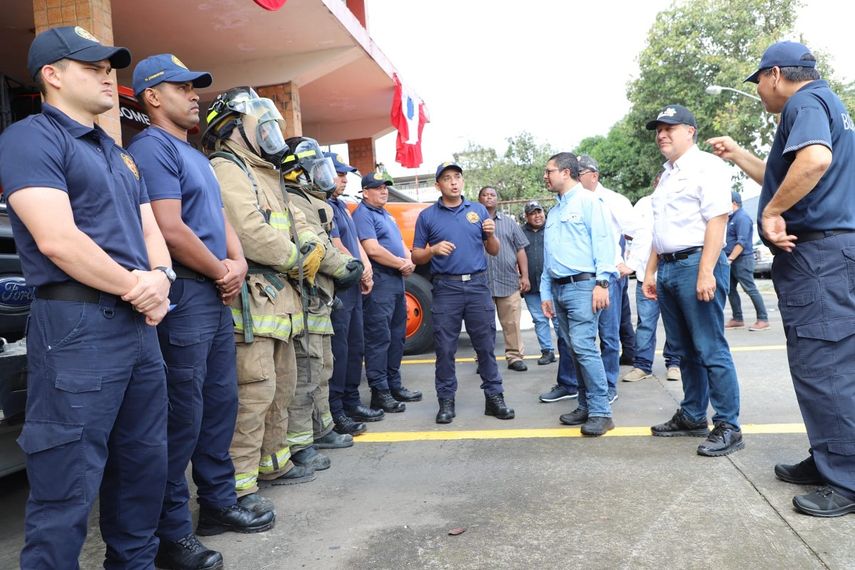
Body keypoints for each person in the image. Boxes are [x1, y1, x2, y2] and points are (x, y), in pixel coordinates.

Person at [0, 27, 170, 568]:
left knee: (143, 466)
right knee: (67, 480)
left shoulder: (119, 154)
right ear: (52, 75)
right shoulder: (31, 138)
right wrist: (139, 288)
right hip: (79, 324)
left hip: (138, 324)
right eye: (92, 67)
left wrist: (161, 278)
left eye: (109, 67)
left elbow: (150, 231)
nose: (106, 75)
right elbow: (57, 239)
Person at [129, 54, 275, 569]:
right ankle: (172, 534)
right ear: (152, 96)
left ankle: (216, 505)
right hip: (187, 295)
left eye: (196, 88)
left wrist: (235, 261)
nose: (195, 95)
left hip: (214, 291)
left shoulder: (193, 153)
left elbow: (217, 217)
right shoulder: (150, 149)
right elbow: (169, 228)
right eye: (182, 87)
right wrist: (219, 269)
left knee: (219, 405)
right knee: (180, 417)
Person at [709, 41, 855, 516]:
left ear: (775, 75)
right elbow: (782, 174)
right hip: (824, 256)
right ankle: (829, 456)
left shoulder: (805, 101)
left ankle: (847, 479)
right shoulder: (825, 105)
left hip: (820, 256)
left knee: (826, 366)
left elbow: (813, 162)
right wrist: (739, 157)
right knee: (822, 366)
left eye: (760, 84)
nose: (762, 93)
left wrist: (772, 212)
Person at [204, 87, 321, 498]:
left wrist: (312, 246)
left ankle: (273, 464)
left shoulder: (264, 173)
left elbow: (292, 221)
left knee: (280, 388)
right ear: (236, 126)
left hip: (278, 304)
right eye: (262, 121)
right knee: (253, 394)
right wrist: (295, 256)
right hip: (252, 304)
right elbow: (249, 231)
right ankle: (238, 488)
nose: (271, 129)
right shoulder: (227, 167)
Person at [643, 104, 743, 457]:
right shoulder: (667, 174)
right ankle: (692, 414)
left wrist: (705, 272)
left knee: (710, 347)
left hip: (697, 264)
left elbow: (717, 220)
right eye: (659, 129)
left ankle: (728, 424)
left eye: (670, 127)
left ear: (691, 131)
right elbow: (660, 229)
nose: (662, 134)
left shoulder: (708, 166)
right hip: (670, 267)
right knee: (683, 349)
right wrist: (651, 271)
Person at [280, 137, 364, 472]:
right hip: (306, 298)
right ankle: (302, 444)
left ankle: (321, 428)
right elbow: (317, 247)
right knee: (307, 371)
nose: (324, 175)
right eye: (316, 168)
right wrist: (345, 267)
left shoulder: (311, 201)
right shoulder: (295, 201)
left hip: (320, 299)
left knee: (323, 367)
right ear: (297, 172)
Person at [411, 162, 514, 424]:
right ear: (438, 185)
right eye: (447, 178)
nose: (454, 182)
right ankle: (446, 401)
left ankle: (495, 398)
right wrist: (433, 250)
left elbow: (493, 250)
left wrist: (491, 235)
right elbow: (416, 255)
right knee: (445, 348)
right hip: (447, 288)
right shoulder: (428, 216)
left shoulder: (478, 210)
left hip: (478, 285)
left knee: (486, 346)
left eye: (457, 177)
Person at [541, 152, 617, 436]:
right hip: (559, 288)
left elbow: (603, 241)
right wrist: (546, 291)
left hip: (584, 286)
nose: (546, 176)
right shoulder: (555, 211)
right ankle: (585, 405)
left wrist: (602, 283)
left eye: (549, 171)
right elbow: (550, 256)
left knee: (584, 347)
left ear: (566, 172)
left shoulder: (588, 201)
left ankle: (601, 411)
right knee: (573, 350)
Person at [352, 171, 422, 414]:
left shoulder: (386, 214)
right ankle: (379, 392)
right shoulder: (363, 215)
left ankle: (394, 385)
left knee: (396, 336)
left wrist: (408, 259)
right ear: (365, 191)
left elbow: (400, 244)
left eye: (385, 187)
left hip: (395, 283)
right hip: (380, 283)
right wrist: (401, 263)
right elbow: (372, 249)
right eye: (378, 187)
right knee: (379, 339)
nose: (384, 191)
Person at [325, 152, 378, 435]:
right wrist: (360, 268)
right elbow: (336, 244)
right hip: (341, 287)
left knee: (356, 347)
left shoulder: (342, 206)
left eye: (345, 175)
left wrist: (365, 268)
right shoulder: (324, 205)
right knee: (340, 351)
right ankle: (337, 410)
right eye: (339, 173)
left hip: (355, 282)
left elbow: (354, 240)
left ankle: (352, 400)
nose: (344, 179)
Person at [577, 155, 635, 403]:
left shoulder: (612, 200)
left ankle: (609, 384)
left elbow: (638, 231)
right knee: (582, 337)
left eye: (578, 173)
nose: (575, 178)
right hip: (582, 278)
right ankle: (587, 386)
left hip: (608, 277)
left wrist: (628, 263)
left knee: (609, 335)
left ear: (594, 175)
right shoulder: (574, 202)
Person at [622, 189, 682, 383]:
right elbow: (628, 232)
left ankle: (674, 363)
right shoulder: (643, 204)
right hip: (644, 276)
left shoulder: (679, 202)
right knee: (645, 323)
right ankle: (642, 366)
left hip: (671, 274)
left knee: (674, 323)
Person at [478, 186, 530, 372]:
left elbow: (521, 249)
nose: (489, 198)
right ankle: (484, 359)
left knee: (512, 324)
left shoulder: (509, 223)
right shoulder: (472, 222)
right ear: (479, 199)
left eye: (492, 195)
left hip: (508, 281)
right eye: (485, 195)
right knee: (483, 324)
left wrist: (525, 276)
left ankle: (514, 357)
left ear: (497, 200)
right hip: (480, 283)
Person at [724, 190, 769, 331]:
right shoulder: (730, 218)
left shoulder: (742, 218)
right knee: (730, 290)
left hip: (741, 260)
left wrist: (730, 258)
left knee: (750, 289)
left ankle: (763, 319)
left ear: (734, 203)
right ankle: (737, 318)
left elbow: (741, 242)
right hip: (730, 260)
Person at [521, 200, 558, 366]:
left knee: (557, 318)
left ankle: (565, 349)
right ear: (526, 216)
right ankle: (547, 351)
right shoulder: (520, 233)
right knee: (539, 319)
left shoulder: (553, 229)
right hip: (532, 285)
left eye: (539, 212)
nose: (537, 216)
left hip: (553, 284)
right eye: (532, 213)